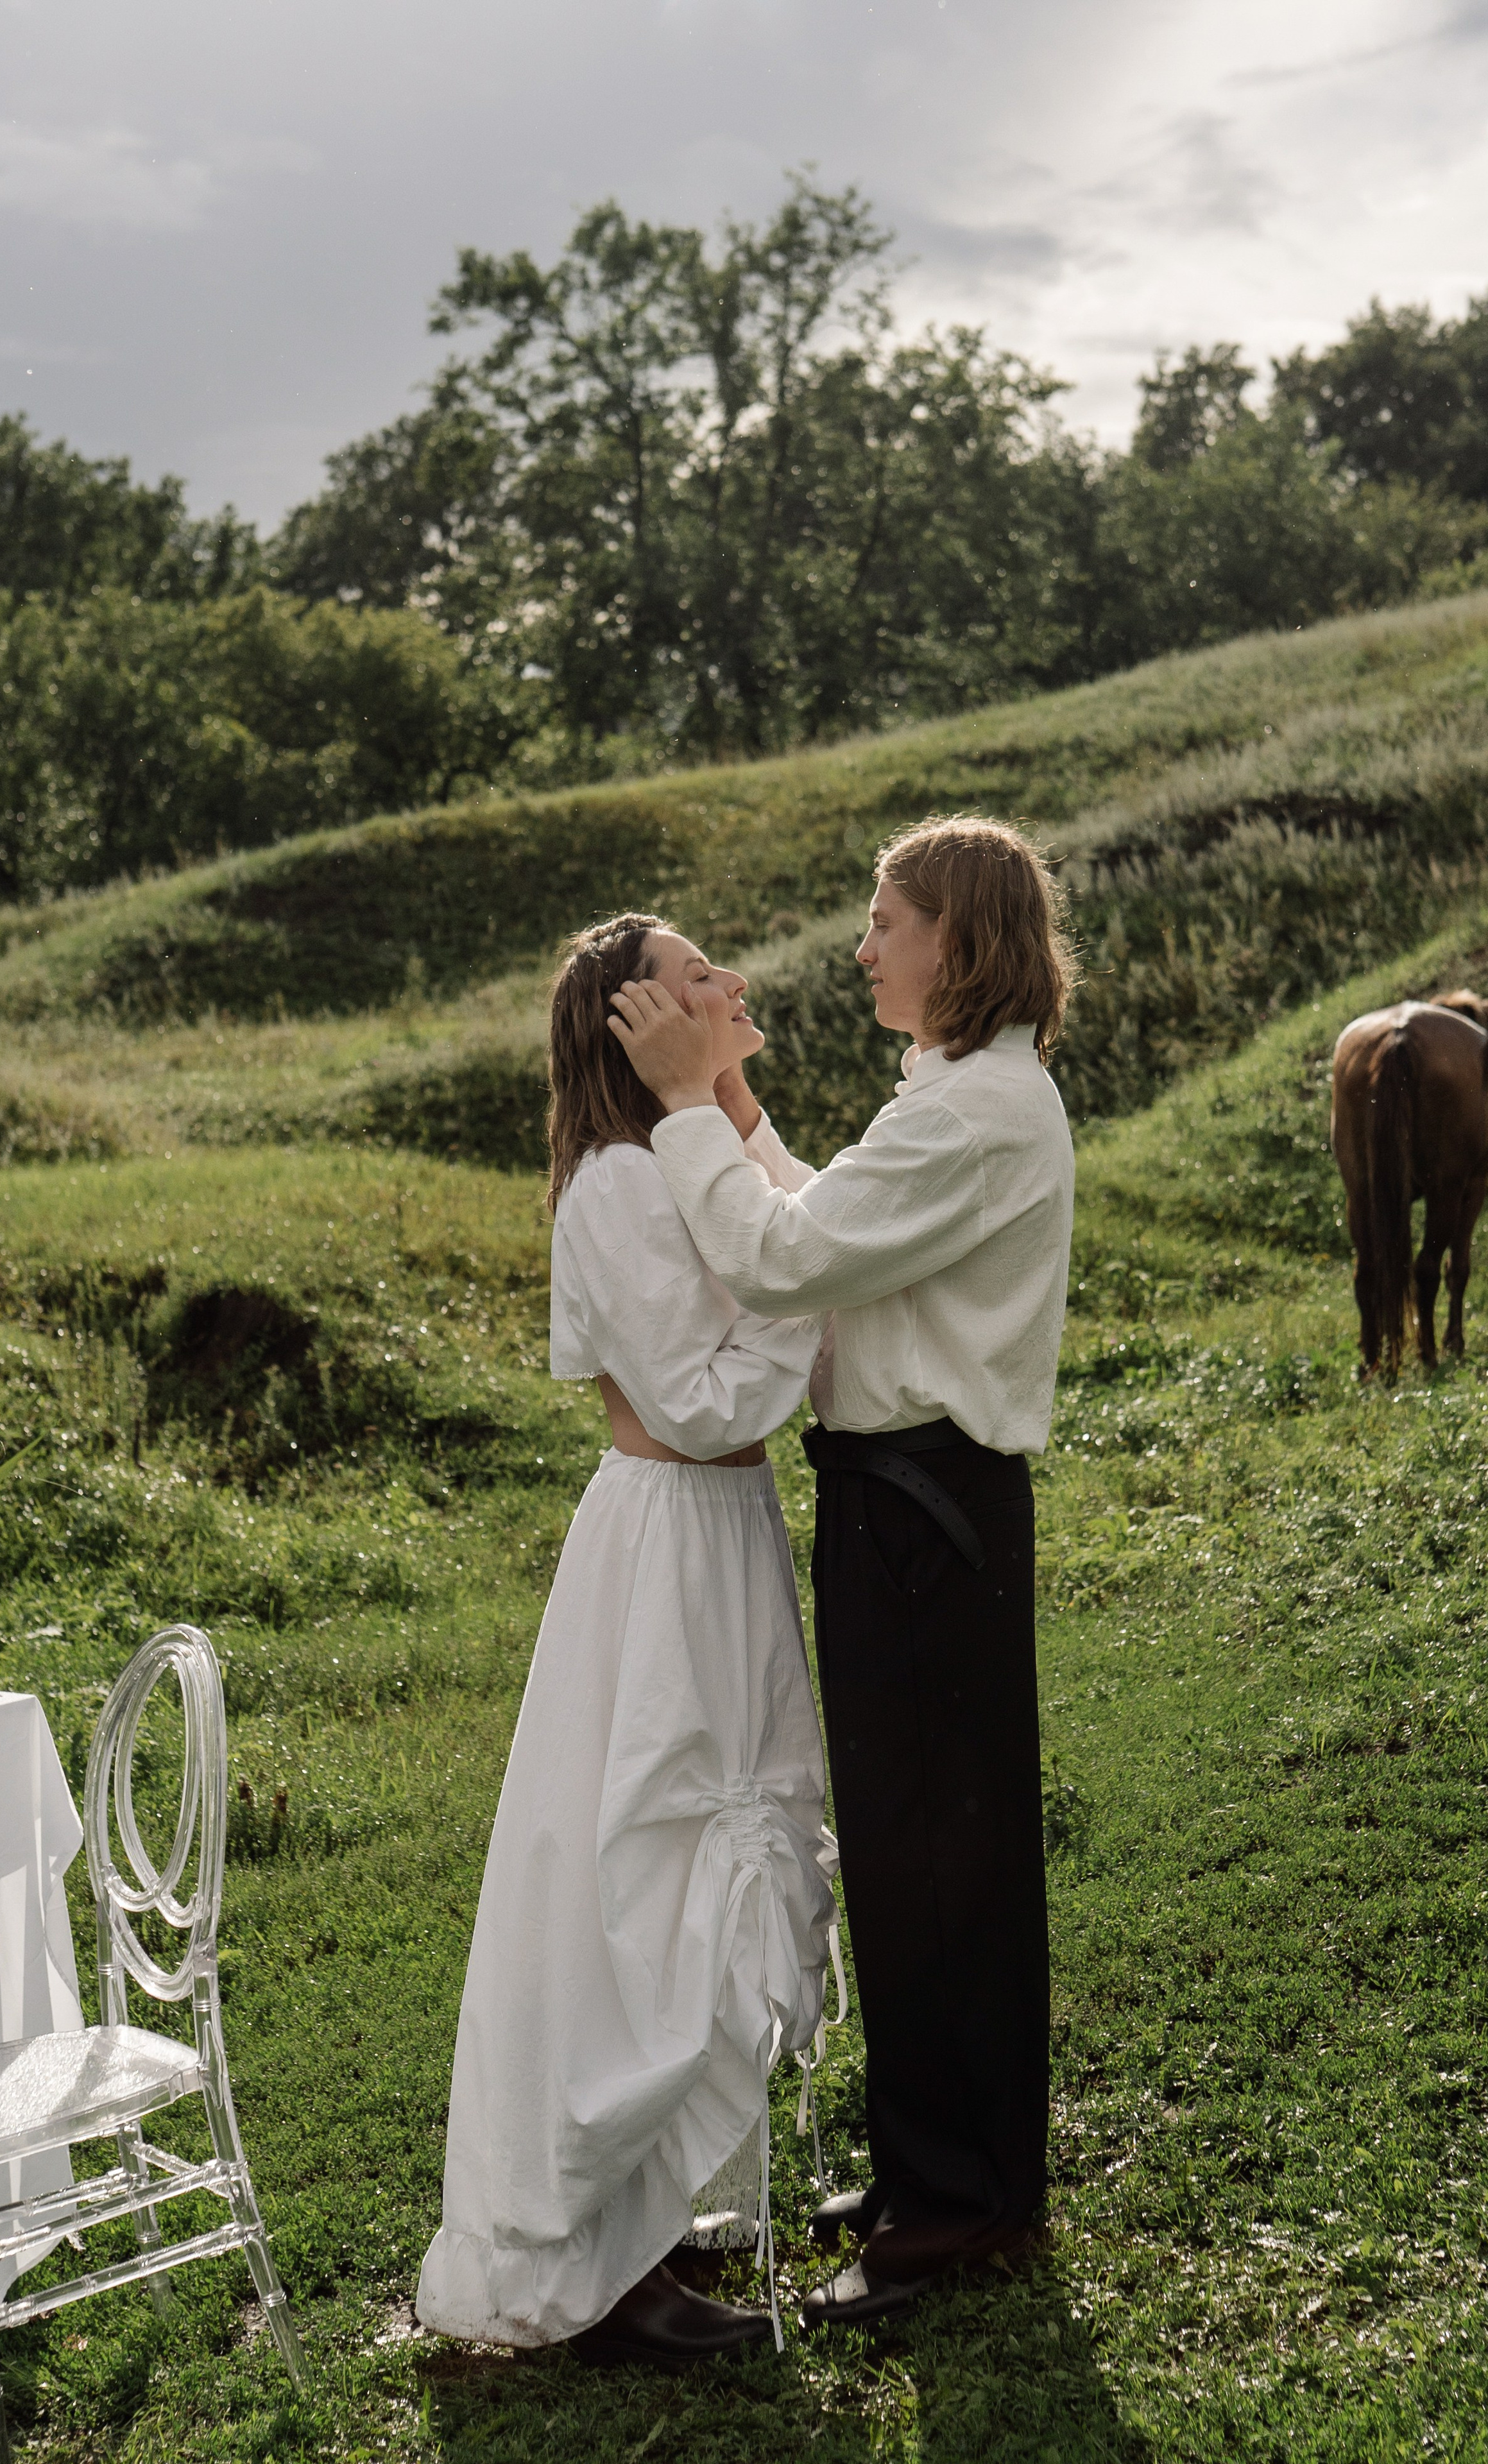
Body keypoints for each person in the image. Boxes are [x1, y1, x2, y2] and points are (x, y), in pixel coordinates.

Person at [607, 817, 1077, 2331]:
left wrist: (683, 1104)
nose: (863, 947)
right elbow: (826, 1221)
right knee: (907, 1846)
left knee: (939, 1858)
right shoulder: (953, 1099)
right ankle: (934, 2174)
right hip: (906, 1506)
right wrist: (737, 1106)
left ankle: (959, 2211)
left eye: (885, 920)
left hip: (925, 1513)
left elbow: (780, 1262)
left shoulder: (976, 1114)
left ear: (958, 938)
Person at [416, 912, 840, 2370]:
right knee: (645, 1865)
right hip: (666, 1544)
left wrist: (729, 1104)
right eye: (698, 972)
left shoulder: (678, 1154)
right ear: (634, 1018)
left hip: (728, 1538)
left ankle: (668, 2197)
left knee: (713, 1844)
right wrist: (806, 1307)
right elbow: (703, 1405)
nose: (731, 981)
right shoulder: (613, 1185)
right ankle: (604, 2250)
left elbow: (799, 1236)